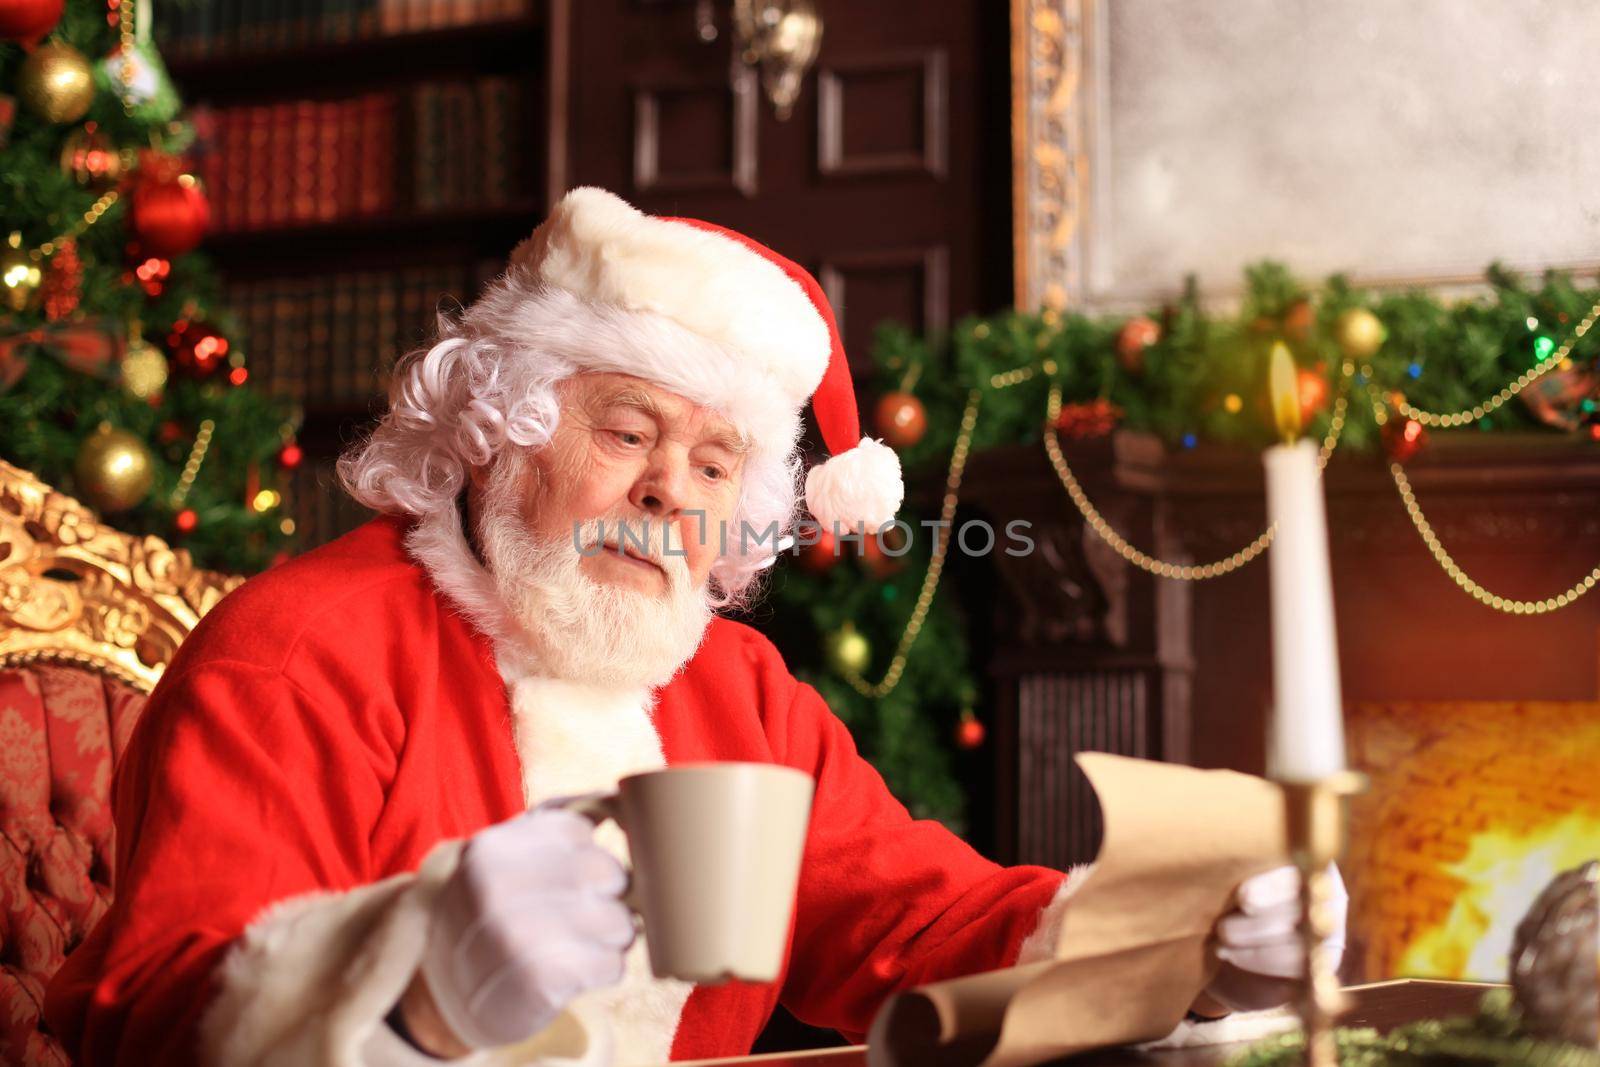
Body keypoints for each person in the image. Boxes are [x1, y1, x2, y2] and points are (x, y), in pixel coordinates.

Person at [44, 188, 1345, 1066]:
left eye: (717, 464)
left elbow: (919, 921)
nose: (672, 488)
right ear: (497, 430)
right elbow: (146, 1016)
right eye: (627, 433)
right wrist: (411, 994)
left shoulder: (744, 694)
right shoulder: (303, 650)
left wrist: (1190, 939)